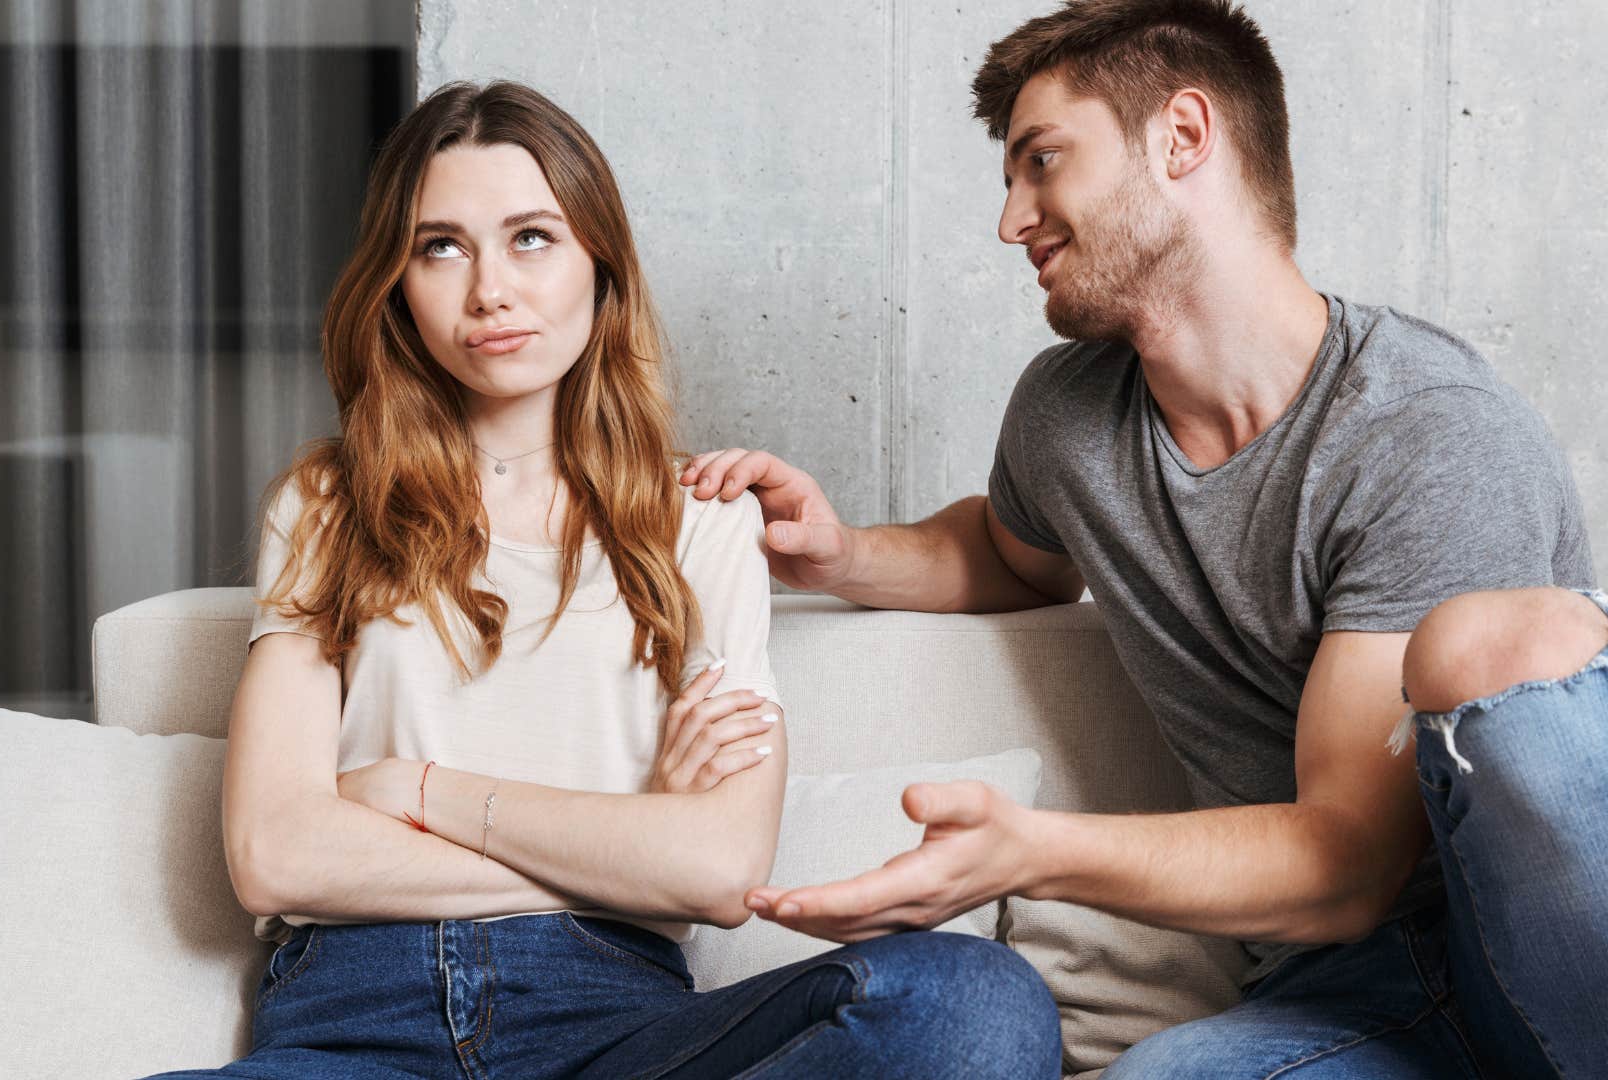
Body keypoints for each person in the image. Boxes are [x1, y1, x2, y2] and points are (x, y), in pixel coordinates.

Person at [682, 2, 1608, 1076]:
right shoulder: (1068, 418)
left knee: (1491, 647)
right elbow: (1015, 558)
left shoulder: (1424, 429)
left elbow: (1347, 862)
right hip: (1345, 998)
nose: (1011, 220)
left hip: (1574, 956)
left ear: (1184, 137)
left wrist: (1036, 854)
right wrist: (841, 552)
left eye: (1042, 161)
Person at [148, 80, 1060, 1080]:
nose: (489, 288)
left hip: (618, 1035)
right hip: (356, 1028)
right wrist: (629, 856)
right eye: (440, 245)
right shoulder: (328, 503)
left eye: (531, 236)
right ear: (397, 283)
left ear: (600, 260)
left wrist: (410, 790)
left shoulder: (702, 522)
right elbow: (275, 854)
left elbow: (716, 871)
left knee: (970, 997)